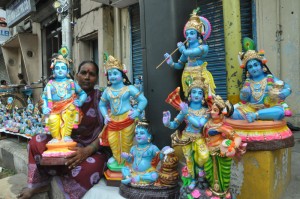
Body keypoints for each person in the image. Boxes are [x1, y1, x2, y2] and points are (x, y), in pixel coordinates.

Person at [17, 61, 110, 199]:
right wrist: (44, 107)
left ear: (96, 78)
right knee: (35, 142)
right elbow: (50, 117)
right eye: (83, 72)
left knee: (89, 168)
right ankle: (40, 184)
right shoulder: (63, 90)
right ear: (76, 75)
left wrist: (88, 150)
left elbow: (109, 129)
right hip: (62, 143)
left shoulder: (102, 97)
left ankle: (66, 180)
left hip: (91, 149)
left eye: (91, 74)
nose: (87, 77)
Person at [99, 55, 148, 170]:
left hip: (127, 119)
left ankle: (126, 161)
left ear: (122, 74)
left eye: (115, 73)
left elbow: (143, 100)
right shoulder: (107, 91)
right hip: (113, 120)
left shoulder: (129, 88)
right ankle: (117, 159)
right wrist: (105, 115)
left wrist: (137, 111)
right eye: (110, 74)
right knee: (113, 141)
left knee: (126, 142)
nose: (112, 76)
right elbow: (101, 105)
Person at [162, 77, 209, 189]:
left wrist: (186, 113)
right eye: (194, 92)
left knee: (203, 156)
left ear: (203, 97)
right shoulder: (185, 109)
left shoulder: (206, 111)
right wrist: (167, 123)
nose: (196, 95)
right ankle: (193, 180)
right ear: (190, 95)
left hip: (199, 137)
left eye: (200, 93)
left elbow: (199, 124)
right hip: (186, 137)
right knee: (189, 161)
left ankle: (201, 171)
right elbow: (174, 124)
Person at [163, 7, 215, 97]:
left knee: (203, 97)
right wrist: (171, 63)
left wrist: (182, 49)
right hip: (188, 76)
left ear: (198, 34)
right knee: (191, 96)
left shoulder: (203, 47)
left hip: (200, 75)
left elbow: (191, 53)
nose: (188, 36)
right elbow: (180, 65)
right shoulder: (186, 49)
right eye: (187, 34)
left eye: (192, 33)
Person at [231, 47, 292, 123]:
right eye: (250, 67)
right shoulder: (248, 82)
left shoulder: (270, 78)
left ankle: (256, 115)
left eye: (256, 65)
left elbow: (287, 87)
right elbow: (243, 100)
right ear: (247, 71)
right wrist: (244, 93)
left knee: (280, 112)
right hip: (250, 108)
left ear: (262, 66)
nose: (253, 68)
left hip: (269, 108)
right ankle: (254, 116)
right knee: (232, 113)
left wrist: (283, 93)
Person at [41, 47, 87, 144]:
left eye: (63, 68)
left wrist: (81, 101)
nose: (60, 70)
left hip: (68, 106)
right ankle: (56, 137)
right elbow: (44, 98)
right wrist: (44, 107)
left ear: (67, 71)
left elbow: (83, 93)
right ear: (53, 71)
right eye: (57, 68)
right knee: (53, 119)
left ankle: (66, 136)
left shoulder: (71, 82)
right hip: (54, 108)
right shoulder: (50, 84)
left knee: (69, 115)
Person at [203, 95, 246, 198]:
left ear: (221, 112)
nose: (212, 112)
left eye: (215, 110)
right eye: (212, 109)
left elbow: (237, 137)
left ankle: (223, 192)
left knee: (223, 174)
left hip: (221, 152)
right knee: (209, 171)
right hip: (208, 151)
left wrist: (232, 147)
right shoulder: (208, 123)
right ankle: (212, 189)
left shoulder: (223, 127)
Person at [121, 120, 167, 186]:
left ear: (149, 136)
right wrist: (127, 157)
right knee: (124, 168)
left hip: (147, 172)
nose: (138, 135)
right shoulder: (133, 148)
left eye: (142, 133)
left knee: (155, 175)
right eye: (137, 133)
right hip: (134, 171)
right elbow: (131, 161)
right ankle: (128, 177)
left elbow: (160, 157)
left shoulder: (152, 148)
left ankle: (139, 178)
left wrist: (164, 151)